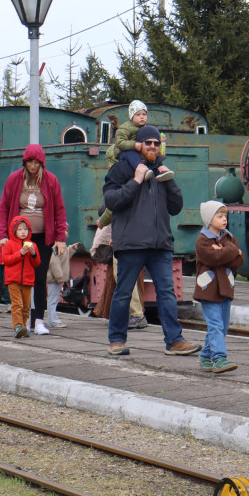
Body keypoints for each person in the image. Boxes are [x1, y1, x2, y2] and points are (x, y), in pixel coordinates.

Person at [103, 123, 200, 357]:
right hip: (132, 244)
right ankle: (116, 340)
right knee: (124, 293)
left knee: (167, 293)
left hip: (160, 245)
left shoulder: (161, 170)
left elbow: (176, 207)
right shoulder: (122, 169)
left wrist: (169, 181)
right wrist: (135, 181)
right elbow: (111, 201)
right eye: (148, 143)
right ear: (140, 145)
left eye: (157, 143)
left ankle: (174, 341)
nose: (153, 147)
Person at [0, 144, 68, 336]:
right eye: (30, 162)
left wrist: (60, 238)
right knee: (21, 279)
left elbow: (60, 210)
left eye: (37, 162)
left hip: (42, 238)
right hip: (19, 238)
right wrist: (3, 235)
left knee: (39, 278)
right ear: (25, 162)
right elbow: (4, 208)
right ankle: (24, 320)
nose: (34, 166)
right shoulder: (14, 180)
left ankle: (39, 321)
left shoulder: (51, 181)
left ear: (42, 162)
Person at [96, 100, 173, 229]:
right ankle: (103, 221)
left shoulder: (145, 129)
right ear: (132, 116)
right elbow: (120, 142)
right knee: (132, 156)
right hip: (124, 153)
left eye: (144, 114)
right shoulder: (126, 127)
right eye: (138, 114)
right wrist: (134, 145)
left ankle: (159, 171)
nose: (142, 117)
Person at [194, 200, 244, 374]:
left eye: (225, 216)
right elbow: (212, 259)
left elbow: (239, 261)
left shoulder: (229, 238)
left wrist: (223, 249)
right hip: (208, 289)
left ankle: (205, 355)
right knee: (215, 324)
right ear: (209, 219)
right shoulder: (202, 240)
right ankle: (219, 358)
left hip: (226, 288)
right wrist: (231, 251)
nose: (224, 219)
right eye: (220, 216)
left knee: (222, 325)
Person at [2, 216, 42, 338]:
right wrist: (19, 254)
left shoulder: (33, 245)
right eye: (20, 229)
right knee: (17, 304)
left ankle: (24, 327)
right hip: (13, 280)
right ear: (14, 231)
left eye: (25, 229)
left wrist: (33, 253)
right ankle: (17, 326)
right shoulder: (9, 244)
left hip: (28, 280)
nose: (23, 232)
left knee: (25, 307)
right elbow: (6, 260)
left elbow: (37, 263)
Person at [45, 240, 82, 327]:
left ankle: (53, 319)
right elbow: (54, 263)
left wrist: (71, 248)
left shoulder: (62, 246)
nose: (65, 232)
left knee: (54, 299)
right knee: (52, 299)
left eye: (66, 230)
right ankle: (52, 321)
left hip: (56, 278)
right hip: (54, 278)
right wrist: (59, 277)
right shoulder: (56, 247)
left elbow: (65, 256)